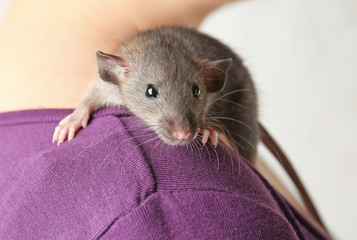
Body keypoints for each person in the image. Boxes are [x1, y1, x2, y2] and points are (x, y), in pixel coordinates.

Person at [0, 0, 331, 239]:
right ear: (114, 71)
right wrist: (82, 110)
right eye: (152, 94)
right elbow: (100, 92)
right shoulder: (170, 203)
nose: (182, 131)